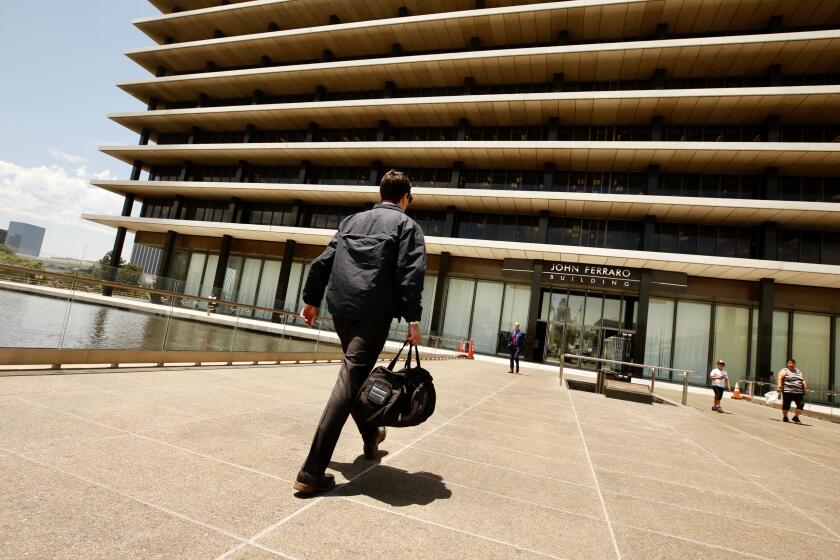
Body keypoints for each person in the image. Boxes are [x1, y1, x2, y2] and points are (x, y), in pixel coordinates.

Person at [293, 170, 426, 494]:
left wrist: (311, 301)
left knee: (354, 376)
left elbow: (322, 262)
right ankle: (311, 472)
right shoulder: (407, 226)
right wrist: (413, 319)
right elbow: (411, 274)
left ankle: (371, 437)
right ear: (405, 198)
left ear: (382, 192)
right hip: (372, 315)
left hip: (341, 310)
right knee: (349, 381)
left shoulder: (351, 221)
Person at [777, 358, 807, 424]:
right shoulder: (784, 370)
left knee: (801, 404)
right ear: (787, 364)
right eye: (790, 363)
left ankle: (796, 417)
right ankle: (785, 417)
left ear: (795, 364)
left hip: (798, 391)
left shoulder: (798, 371)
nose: (791, 364)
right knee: (786, 404)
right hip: (788, 391)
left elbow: (802, 380)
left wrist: (804, 389)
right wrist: (779, 386)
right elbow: (780, 378)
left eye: (793, 363)